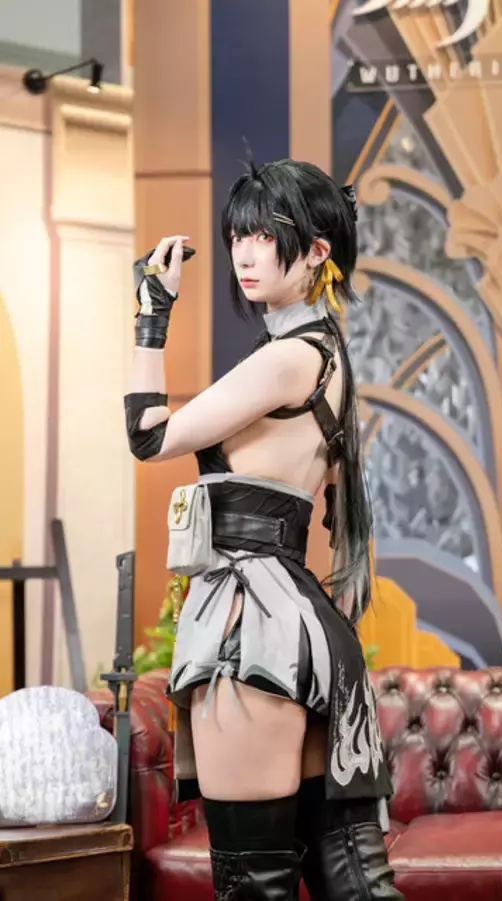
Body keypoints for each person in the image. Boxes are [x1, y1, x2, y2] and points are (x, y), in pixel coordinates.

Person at [124, 158, 403, 900]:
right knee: (353, 883)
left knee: (255, 885)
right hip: (304, 626)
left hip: (250, 630)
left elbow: (148, 434)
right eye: (237, 235)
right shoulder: (329, 355)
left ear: (316, 252)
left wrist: (151, 313)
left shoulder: (287, 359)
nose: (244, 253)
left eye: (266, 235)